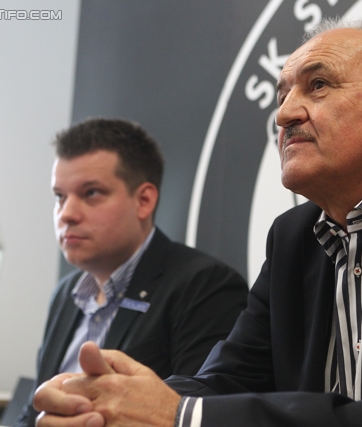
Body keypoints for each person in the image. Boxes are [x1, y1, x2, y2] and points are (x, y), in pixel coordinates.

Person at [32, 20, 362, 427]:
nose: (284, 113)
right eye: (283, 93)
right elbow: (226, 379)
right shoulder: (293, 239)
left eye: (318, 86)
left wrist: (182, 418)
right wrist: (108, 402)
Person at [13, 118, 249, 427]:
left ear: (144, 200)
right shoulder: (65, 294)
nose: (67, 213)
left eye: (91, 193)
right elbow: (35, 413)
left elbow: (200, 414)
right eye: (60, 196)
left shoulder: (206, 286)